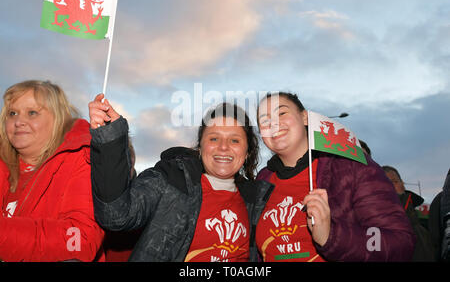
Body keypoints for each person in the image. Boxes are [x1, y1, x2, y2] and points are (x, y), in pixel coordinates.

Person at [88, 95, 262, 262]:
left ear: (247, 152)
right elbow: (116, 216)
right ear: (200, 147)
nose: (223, 147)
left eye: (235, 140)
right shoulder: (171, 180)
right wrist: (110, 136)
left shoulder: (257, 201)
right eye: (214, 138)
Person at [255, 92, 415, 261]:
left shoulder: (351, 166)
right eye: (264, 121)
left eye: (282, 113)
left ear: (305, 117)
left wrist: (331, 237)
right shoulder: (262, 181)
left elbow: (400, 243)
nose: (274, 123)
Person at [0, 80, 104, 261]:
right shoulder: (4, 166)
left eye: (32, 113)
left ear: (58, 119)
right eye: (12, 113)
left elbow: (81, 240)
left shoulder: (81, 158)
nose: (18, 121)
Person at [383, 165, 435, 261]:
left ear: (402, 183)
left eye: (394, 181)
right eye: (384, 183)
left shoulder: (426, 219)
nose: (391, 186)